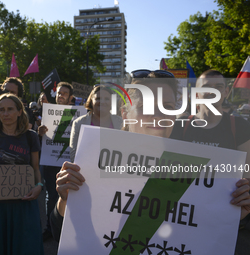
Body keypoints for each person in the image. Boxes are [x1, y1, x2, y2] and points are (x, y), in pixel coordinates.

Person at [50, 70, 250, 251]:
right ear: (125, 114)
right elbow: (68, 238)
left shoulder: (191, 168)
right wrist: (65, 201)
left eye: (168, 107)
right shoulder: (95, 161)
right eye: (146, 106)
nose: (159, 114)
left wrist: (230, 214)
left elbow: (201, 236)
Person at [169, 69, 250, 254]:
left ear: (226, 92)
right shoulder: (181, 125)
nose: (213, 92)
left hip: (224, 221)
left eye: (218, 87)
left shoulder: (240, 126)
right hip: (184, 218)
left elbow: (248, 175)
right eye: (207, 87)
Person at [0, 93, 44, 255]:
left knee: (27, 248)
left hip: (25, 205)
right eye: (1, 110)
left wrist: (39, 186)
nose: (5, 114)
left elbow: (35, 168)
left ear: (19, 111)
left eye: (10, 109)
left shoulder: (31, 137)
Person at [38, 81, 74, 240]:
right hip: (50, 162)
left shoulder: (76, 114)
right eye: (59, 93)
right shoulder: (48, 113)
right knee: (50, 196)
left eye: (64, 93)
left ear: (70, 97)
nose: (61, 96)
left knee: (69, 197)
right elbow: (41, 138)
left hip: (67, 162)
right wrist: (39, 132)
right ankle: (50, 227)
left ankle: (66, 228)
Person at [70, 85, 123, 162]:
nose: (102, 102)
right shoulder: (78, 123)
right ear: (91, 101)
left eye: (107, 99)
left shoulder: (121, 123)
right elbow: (74, 154)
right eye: (98, 98)